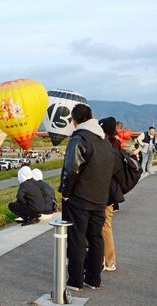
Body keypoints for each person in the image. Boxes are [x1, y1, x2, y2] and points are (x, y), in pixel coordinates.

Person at [59, 104, 114, 291]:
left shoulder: (79, 138)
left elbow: (71, 169)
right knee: (96, 238)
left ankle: (75, 281)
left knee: (77, 239)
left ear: (74, 120)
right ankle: (93, 279)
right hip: (100, 199)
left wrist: (66, 194)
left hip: (80, 198)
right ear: (91, 116)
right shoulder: (105, 142)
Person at [98, 117, 125, 272]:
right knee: (105, 225)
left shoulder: (108, 148)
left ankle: (108, 260)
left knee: (104, 225)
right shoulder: (116, 146)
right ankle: (106, 259)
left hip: (104, 192)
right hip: (110, 192)